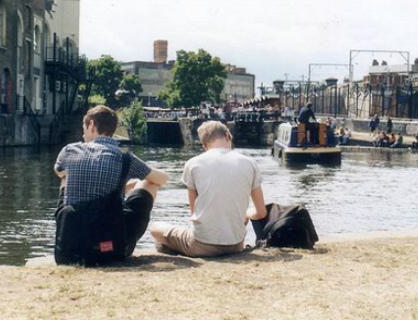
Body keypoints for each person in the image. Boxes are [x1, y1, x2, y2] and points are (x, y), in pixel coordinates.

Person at [54, 105, 169, 259]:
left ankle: (66, 238)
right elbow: (162, 179)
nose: (83, 133)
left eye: (84, 127)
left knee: (66, 179)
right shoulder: (125, 158)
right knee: (148, 184)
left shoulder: (69, 150)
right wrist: (132, 184)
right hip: (109, 250)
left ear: (92, 125)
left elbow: (59, 172)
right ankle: (111, 244)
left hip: (68, 251)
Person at [150, 121, 267, 257]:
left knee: (155, 228)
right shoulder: (250, 163)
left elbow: (194, 213)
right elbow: (261, 212)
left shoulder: (193, 163)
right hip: (235, 245)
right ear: (228, 136)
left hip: (201, 245)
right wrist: (246, 215)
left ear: (204, 145)